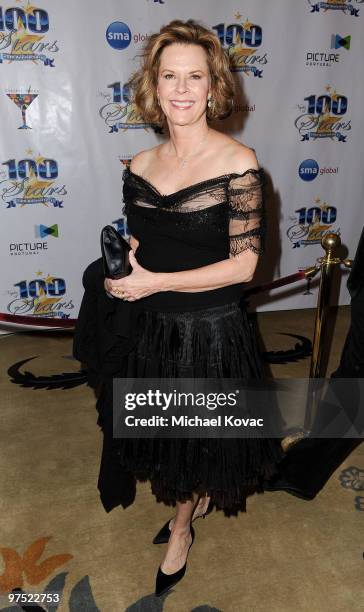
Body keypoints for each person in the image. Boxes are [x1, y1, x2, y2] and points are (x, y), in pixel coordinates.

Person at [101, 19, 284, 597]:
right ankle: (190, 502)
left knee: (196, 436)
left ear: (214, 86)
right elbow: (141, 246)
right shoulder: (137, 166)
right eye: (169, 75)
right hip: (154, 326)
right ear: (153, 86)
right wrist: (123, 273)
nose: (181, 89)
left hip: (211, 330)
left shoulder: (239, 163)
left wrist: (154, 283)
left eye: (195, 77)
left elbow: (244, 266)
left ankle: (182, 526)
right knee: (172, 435)